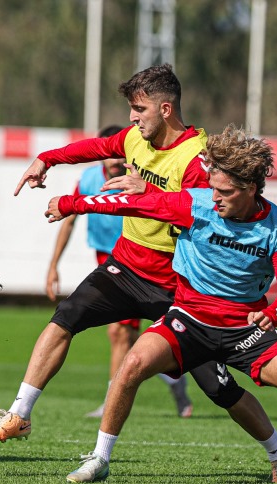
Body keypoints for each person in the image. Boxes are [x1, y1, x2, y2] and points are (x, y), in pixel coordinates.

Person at [0, 64, 277, 484]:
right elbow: (94, 147)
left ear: (165, 109)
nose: (132, 118)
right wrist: (46, 160)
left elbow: (191, 213)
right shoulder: (133, 138)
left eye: (139, 109)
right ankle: (19, 414)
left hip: (178, 287)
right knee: (65, 319)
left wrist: (142, 193)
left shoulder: (197, 159)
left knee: (219, 387)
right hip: (126, 265)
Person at [45, 124, 277, 484]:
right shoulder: (196, 203)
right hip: (189, 320)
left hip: (248, 329)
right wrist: (71, 203)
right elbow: (134, 203)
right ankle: (99, 460)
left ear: (251, 189)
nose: (215, 197)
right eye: (212, 188)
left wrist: (273, 315)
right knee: (133, 365)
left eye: (224, 192)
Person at [46, 124, 193, 420]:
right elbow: (70, 220)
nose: (115, 163)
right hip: (110, 259)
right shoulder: (88, 180)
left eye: (119, 158)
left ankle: (113, 399)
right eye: (110, 158)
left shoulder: (141, 179)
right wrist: (53, 265)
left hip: (145, 265)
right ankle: (173, 378)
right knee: (125, 335)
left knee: (120, 333)